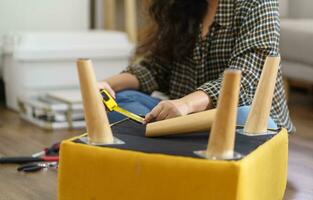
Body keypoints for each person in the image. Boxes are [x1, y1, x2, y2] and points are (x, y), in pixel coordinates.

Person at [98, 0, 295, 133]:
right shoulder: (180, 5)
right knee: (123, 99)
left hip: (236, 118)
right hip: (183, 119)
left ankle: (161, 139)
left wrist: (185, 104)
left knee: (244, 116)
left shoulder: (259, 3)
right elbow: (156, 68)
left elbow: (246, 80)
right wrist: (106, 85)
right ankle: (168, 138)